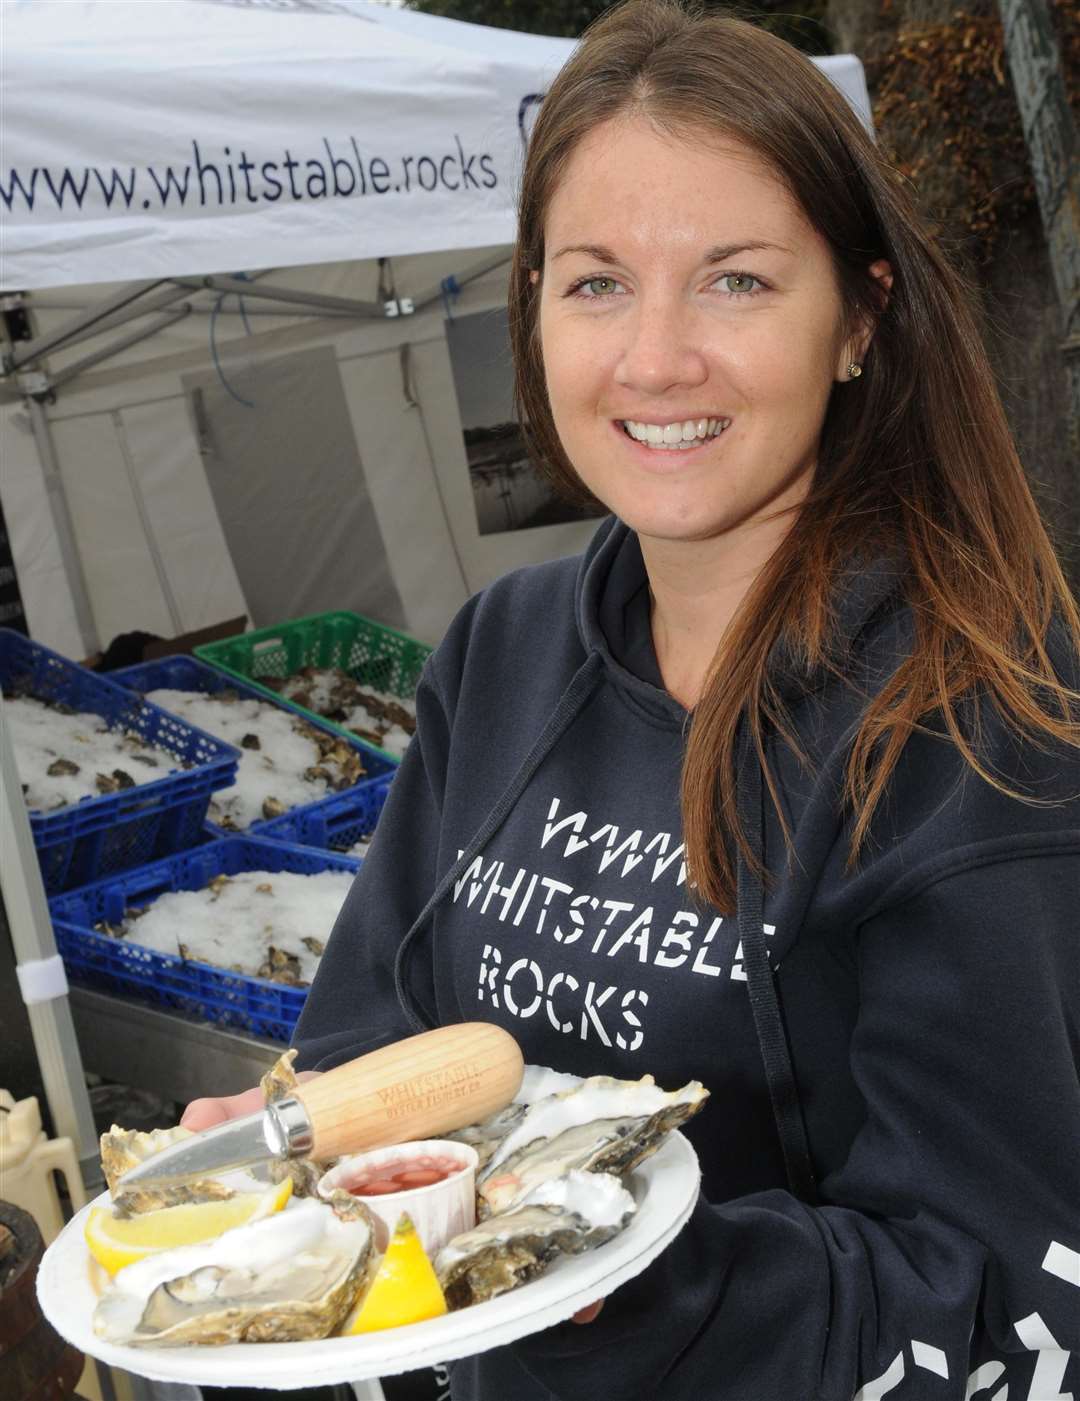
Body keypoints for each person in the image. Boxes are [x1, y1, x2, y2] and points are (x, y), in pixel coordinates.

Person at [183, 2, 1080, 1396]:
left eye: (735, 280)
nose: (656, 359)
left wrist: (626, 1276)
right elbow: (373, 1030)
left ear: (859, 317)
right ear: (532, 305)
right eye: (597, 282)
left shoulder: (975, 727)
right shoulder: (504, 648)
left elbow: (1004, 1299)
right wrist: (296, 1136)